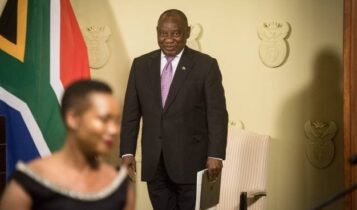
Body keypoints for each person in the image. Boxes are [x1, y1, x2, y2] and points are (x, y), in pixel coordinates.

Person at [120, 9, 228, 210]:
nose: (169, 39)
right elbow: (131, 114)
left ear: (187, 32)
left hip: (191, 161)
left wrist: (216, 154)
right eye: (163, 33)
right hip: (154, 163)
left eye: (176, 33)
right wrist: (127, 152)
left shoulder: (205, 65)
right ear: (157, 32)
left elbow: (217, 114)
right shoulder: (140, 65)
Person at [0, 80, 135, 210]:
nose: (114, 130)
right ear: (73, 118)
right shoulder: (27, 183)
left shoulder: (119, 186)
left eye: (117, 121)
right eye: (104, 119)